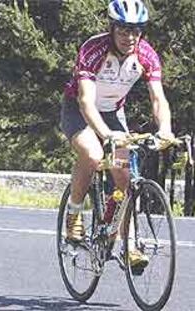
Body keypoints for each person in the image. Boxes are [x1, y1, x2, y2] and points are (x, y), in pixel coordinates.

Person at [61, 0, 173, 269]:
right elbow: (86, 101)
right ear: (112, 29)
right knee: (93, 153)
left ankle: (129, 244)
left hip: (113, 113)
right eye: (123, 30)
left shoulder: (146, 55)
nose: (130, 37)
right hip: (78, 109)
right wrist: (106, 135)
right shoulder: (94, 49)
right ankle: (74, 213)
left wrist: (166, 130)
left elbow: (158, 99)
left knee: (124, 178)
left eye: (136, 31)